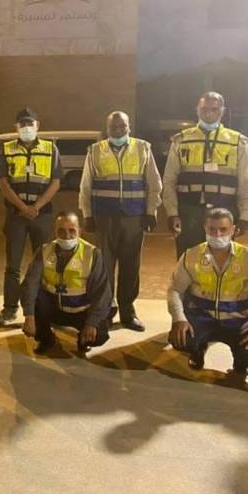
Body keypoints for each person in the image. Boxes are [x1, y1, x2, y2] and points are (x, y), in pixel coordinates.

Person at [166, 207, 248, 377]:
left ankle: (241, 361)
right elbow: (175, 290)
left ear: (233, 230)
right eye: (212, 229)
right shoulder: (191, 256)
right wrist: (179, 319)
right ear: (205, 228)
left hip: (237, 320)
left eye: (223, 229)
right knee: (181, 339)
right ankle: (198, 348)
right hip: (201, 317)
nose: (217, 235)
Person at [79, 110, 162, 331]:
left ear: (129, 127)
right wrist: (87, 214)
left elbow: (154, 183)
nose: (118, 130)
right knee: (104, 267)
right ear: (107, 129)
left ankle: (127, 311)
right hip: (104, 218)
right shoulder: (95, 151)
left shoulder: (143, 148)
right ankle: (105, 311)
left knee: (130, 266)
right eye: (113, 127)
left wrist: (151, 211)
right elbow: (86, 186)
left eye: (122, 126)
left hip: (134, 218)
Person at [0, 107, 62, 328]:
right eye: (22, 124)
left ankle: (43, 308)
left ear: (37, 125)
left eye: (30, 123)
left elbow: (56, 182)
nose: (26, 127)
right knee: (13, 266)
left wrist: (36, 207)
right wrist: (22, 206)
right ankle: (9, 309)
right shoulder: (7, 149)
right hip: (16, 215)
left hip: (42, 215)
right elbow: (3, 182)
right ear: (16, 127)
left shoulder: (50, 149)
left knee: (44, 264)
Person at [162, 91, 248, 257]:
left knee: (222, 260)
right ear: (197, 109)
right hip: (189, 212)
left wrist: (244, 215)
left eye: (215, 109)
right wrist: (172, 212)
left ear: (223, 111)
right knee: (188, 260)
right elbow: (169, 179)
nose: (209, 113)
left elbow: (247, 182)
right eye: (205, 108)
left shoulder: (237, 142)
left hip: (225, 211)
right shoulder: (182, 140)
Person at [20, 212, 113, 356]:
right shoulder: (44, 251)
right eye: (61, 231)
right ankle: (46, 339)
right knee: (34, 298)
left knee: (99, 335)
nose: (66, 235)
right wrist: (29, 316)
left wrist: (92, 323)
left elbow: (102, 293)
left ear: (80, 231)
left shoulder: (92, 254)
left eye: (72, 230)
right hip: (55, 308)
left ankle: (83, 340)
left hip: (82, 311)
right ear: (54, 231)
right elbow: (29, 285)